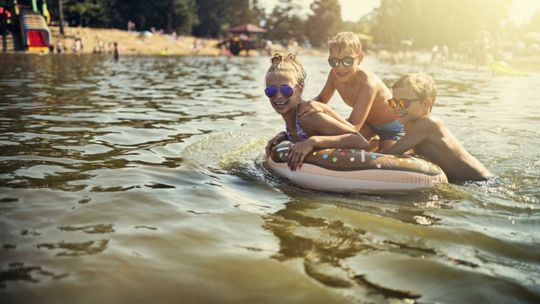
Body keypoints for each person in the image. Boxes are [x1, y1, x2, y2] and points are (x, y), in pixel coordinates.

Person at [264, 53, 370, 171]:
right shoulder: (291, 117)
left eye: (286, 90)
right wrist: (285, 135)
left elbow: (361, 141)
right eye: (271, 90)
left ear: (300, 88)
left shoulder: (308, 117)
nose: (278, 96)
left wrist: (313, 142)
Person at [303, 32, 404, 151]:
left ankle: (383, 144)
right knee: (327, 134)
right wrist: (304, 107)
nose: (340, 68)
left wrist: (325, 110)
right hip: (367, 125)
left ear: (360, 58)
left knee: (387, 154)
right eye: (334, 62)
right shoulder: (334, 75)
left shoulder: (368, 84)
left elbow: (353, 127)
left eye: (347, 61)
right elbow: (321, 100)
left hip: (392, 128)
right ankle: (373, 142)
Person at [381, 72, 491, 182]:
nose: (397, 108)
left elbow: (391, 153)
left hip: (480, 181)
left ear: (426, 103)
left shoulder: (428, 123)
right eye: (393, 102)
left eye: (404, 103)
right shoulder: (409, 125)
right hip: (463, 181)